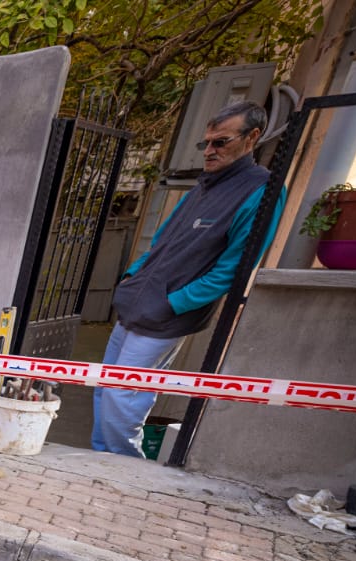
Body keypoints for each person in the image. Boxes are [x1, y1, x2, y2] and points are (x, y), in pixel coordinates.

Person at [92, 100, 286, 456]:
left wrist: (173, 303)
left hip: (166, 315)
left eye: (220, 142)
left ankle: (120, 468)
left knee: (125, 394)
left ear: (252, 138)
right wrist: (132, 279)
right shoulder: (205, 185)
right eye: (206, 143)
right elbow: (161, 241)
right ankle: (99, 458)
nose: (209, 151)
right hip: (137, 303)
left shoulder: (261, 191)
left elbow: (233, 269)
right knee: (105, 387)